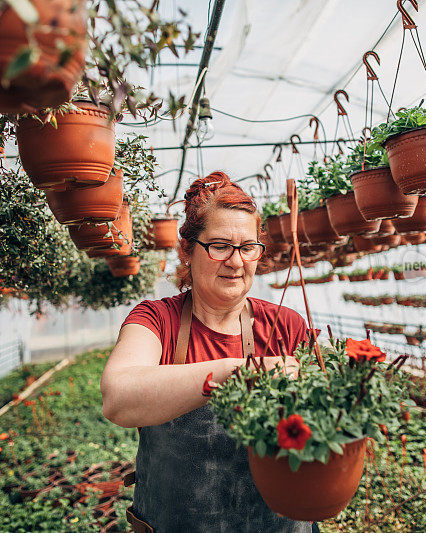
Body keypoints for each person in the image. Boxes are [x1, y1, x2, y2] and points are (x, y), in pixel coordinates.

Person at [100, 172, 315, 532]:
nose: (236, 261)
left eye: (248, 247)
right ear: (187, 249)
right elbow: (117, 397)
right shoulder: (157, 320)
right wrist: (239, 372)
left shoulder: (285, 325)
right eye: (219, 245)